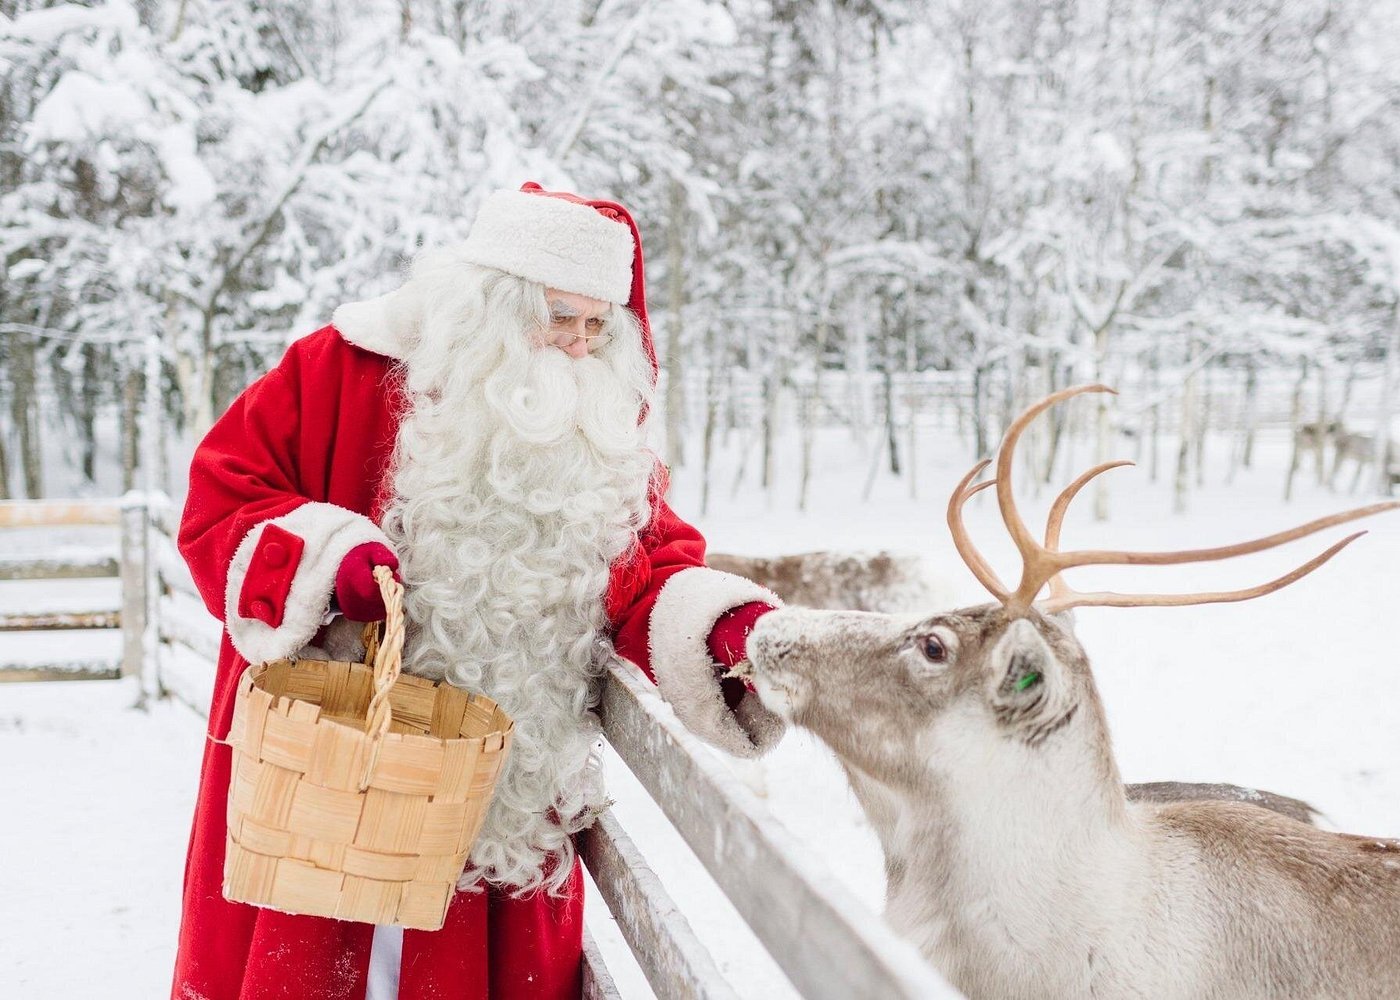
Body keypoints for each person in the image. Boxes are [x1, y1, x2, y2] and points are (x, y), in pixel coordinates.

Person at [172, 183, 785, 1000]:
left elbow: (649, 563)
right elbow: (224, 494)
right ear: (494, 303)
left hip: (495, 802)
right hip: (326, 782)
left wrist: (728, 632)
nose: (578, 343)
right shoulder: (342, 368)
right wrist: (326, 560)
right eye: (559, 314)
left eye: (598, 324)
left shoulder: (595, 424)